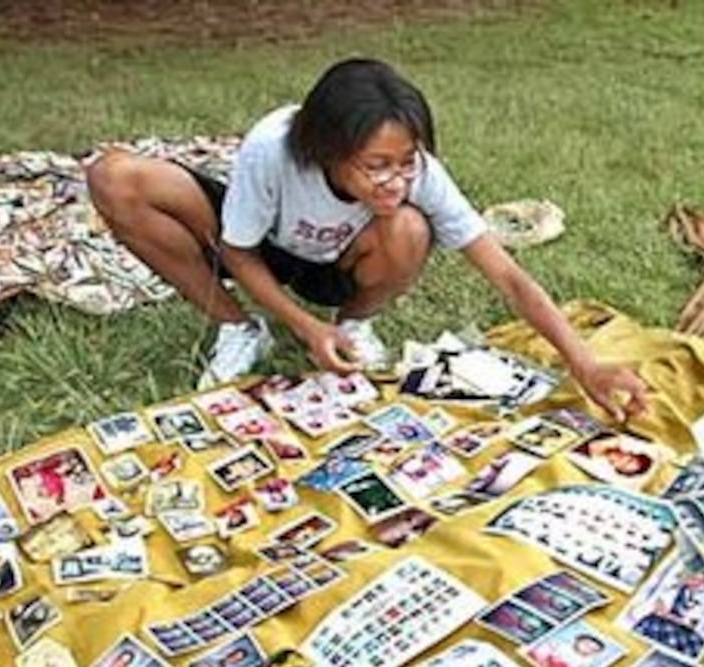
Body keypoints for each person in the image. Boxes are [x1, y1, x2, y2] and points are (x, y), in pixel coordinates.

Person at [87, 57, 648, 421]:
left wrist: (583, 362)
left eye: (407, 162)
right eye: (377, 166)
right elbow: (236, 248)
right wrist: (301, 327)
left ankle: (354, 325)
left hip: (338, 262)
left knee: (408, 225)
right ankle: (239, 329)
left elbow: (507, 275)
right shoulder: (273, 147)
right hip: (259, 247)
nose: (397, 179)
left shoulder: (416, 175)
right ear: (326, 149)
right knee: (115, 177)